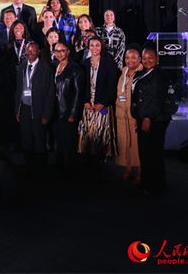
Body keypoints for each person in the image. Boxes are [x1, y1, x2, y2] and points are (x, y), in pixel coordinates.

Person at [131, 46, 172, 195]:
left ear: (157, 59)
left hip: (156, 119)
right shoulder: (144, 73)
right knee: (145, 154)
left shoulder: (160, 75)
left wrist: (148, 117)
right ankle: (147, 184)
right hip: (144, 117)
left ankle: (156, 188)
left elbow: (157, 99)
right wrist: (138, 117)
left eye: (151, 57)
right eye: (144, 58)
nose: (147, 60)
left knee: (154, 154)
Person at [78, 36, 118, 178]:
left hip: (102, 104)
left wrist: (104, 103)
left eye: (97, 45)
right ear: (88, 47)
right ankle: (88, 165)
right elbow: (81, 86)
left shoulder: (109, 63)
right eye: (92, 45)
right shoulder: (83, 64)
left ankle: (100, 165)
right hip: (88, 105)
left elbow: (112, 86)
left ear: (102, 47)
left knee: (101, 134)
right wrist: (85, 102)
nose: (94, 48)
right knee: (88, 134)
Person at [14, 42, 55, 178]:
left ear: (38, 52)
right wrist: (17, 110)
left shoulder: (45, 68)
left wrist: (47, 114)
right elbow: (18, 90)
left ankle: (41, 171)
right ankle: (29, 169)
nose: (30, 53)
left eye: (33, 50)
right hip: (24, 109)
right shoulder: (22, 67)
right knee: (26, 140)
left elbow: (50, 92)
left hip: (39, 110)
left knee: (40, 141)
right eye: (28, 50)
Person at [52, 41, 84, 178]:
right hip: (54, 111)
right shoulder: (53, 66)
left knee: (69, 143)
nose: (59, 54)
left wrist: (73, 114)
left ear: (68, 51)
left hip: (68, 111)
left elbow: (78, 93)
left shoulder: (75, 69)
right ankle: (60, 169)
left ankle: (69, 171)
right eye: (56, 51)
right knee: (58, 142)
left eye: (62, 51)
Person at [115, 44, 143, 183]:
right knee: (125, 143)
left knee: (137, 145)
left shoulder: (142, 73)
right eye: (127, 57)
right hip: (121, 115)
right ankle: (128, 168)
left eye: (133, 57)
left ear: (140, 58)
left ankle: (141, 171)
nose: (130, 60)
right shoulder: (122, 72)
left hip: (135, 115)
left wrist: (140, 116)